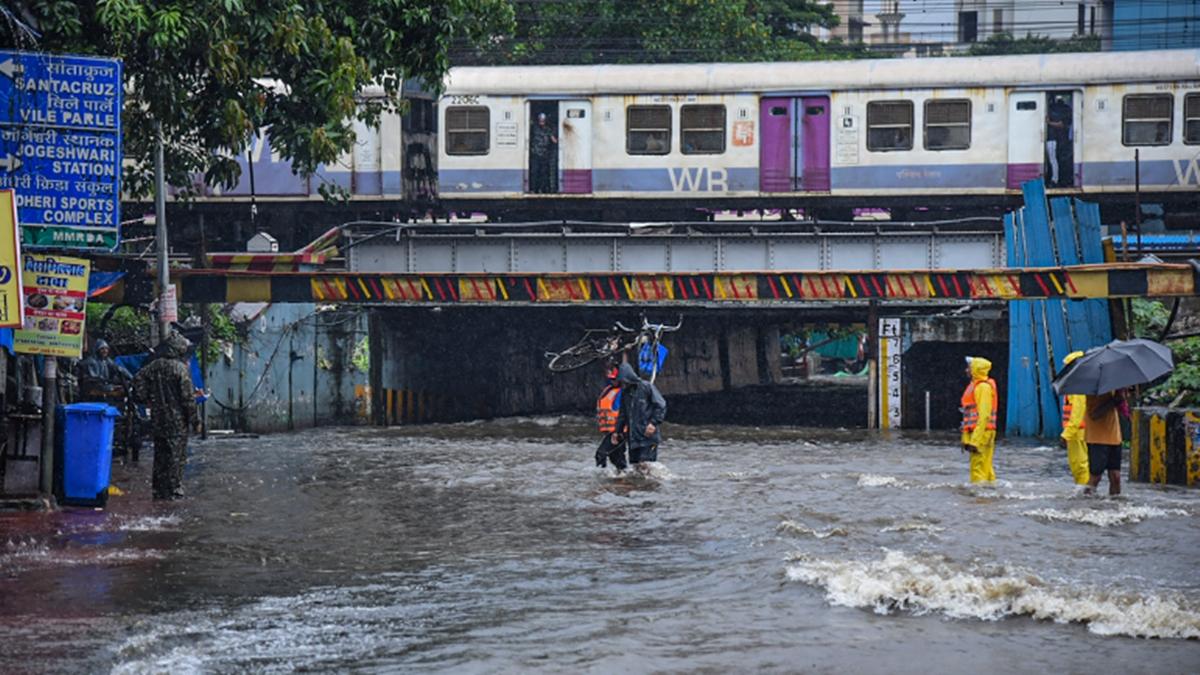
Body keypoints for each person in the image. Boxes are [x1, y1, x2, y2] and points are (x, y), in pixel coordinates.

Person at [132, 331, 198, 500]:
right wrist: (195, 420)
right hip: (176, 422)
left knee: (160, 456)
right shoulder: (180, 369)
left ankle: (158, 491)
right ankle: (174, 491)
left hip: (158, 419)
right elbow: (188, 399)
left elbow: (138, 378)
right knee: (175, 457)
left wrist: (144, 397)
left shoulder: (154, 365)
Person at [614, 362, 666, 472]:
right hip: (633, 438)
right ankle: (639, 487)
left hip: (648, 437)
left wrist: (653, 423)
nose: (623, 384)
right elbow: (622, 414)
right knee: (635, 467)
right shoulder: (625, 393)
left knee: (646, 465)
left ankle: (653, 484)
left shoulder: (646, 387)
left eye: (624, 381)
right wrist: (617, 431)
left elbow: (661, 405)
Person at [960, 356, 997, 483]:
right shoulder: (977, 386)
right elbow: (969, 417)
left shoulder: (983, 388)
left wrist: (975, 441)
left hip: (982, 434)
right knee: (985, 468)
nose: (967, 370)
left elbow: (984, 415)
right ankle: (990, 495)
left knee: (978, 469)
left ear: (976, 370)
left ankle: (978, 498)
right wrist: (966, 438)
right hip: (982, 433)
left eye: (969, 368)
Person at [1084, 389, 1125, 496]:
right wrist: (1113, 401)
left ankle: (1115, 506)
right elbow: (1094, 414)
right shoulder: (1092, 390)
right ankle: (1085, 503)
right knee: (1096, 476)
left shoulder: (1114, 387)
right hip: (1097, 438)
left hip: (1114, 436)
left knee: (1116, 477)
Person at [1059, 351, 1091, 485]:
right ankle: (1083, 490)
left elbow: (1077, 413)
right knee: (1077, 464)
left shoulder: (1078, 387)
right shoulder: (1078, 384)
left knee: (1080, 465)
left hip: (1078, 432)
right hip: (1077, 432)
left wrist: (1067, 434)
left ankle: (1085, 492)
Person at [594, 363, 627, 472]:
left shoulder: (623, 392)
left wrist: (618, 432)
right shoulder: (608, 390)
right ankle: (623, 477)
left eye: (615, 379)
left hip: (618, 432)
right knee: (616, 458)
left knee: (601, 454)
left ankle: (603, 477)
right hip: (610, 431)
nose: (613, 381)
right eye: (611, 379)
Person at [1046, 95, 1072, 187]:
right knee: (1056, 160)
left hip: (1053, 138)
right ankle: (1057, 179)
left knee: (1053, 160)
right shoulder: (1066, 109)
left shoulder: (1051, 109)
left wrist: (1049, 123)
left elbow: (1061, 125)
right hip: (1060, 139)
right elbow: (1063, 125)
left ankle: (1055, 180)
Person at [530, 112, 558, 193]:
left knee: (543, 173)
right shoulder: (534, 128)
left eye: (543, 120)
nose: (541, 122)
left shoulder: (548, 129)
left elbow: (553, 140)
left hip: (544, 155)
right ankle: (534, 189)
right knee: (535, 172)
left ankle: (542, 189)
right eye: (540, 120)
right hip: (535, 154)